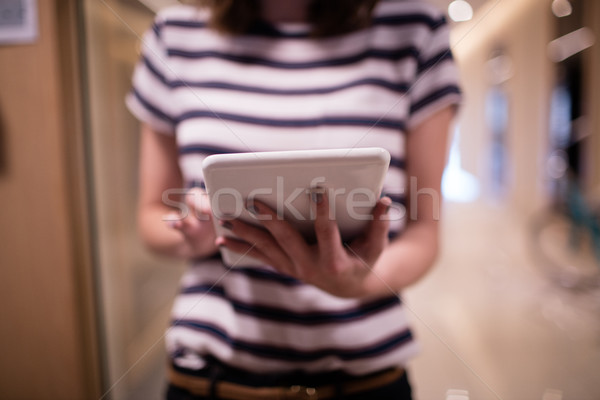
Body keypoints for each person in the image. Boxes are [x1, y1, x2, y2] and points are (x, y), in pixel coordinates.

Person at [127, 0, 461, 398]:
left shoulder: (415, 28)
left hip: (364, 380)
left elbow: (426, 232)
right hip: (209, 379)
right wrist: (191, 232)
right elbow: (152, 215)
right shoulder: (174, 35)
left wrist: (360, 283)